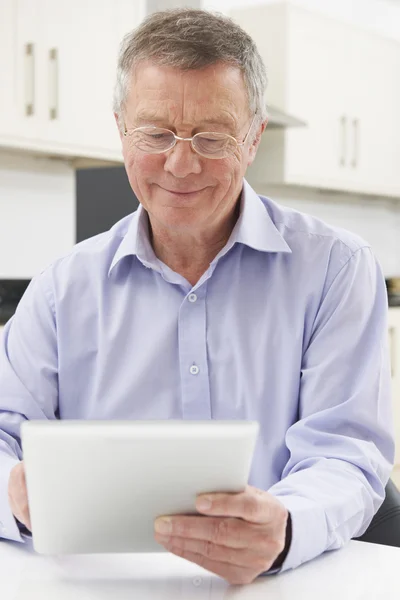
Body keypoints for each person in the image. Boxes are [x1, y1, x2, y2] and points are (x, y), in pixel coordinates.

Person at [0, 8, 394, 585]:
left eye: (211, 136)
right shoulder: (62, 289)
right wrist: (17, 494)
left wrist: (284, 527)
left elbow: (346, 454)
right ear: (120, 130)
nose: (181, 163)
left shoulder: (337, 271)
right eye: (156, 133)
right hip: (98, 585)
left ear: (253, 136)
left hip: (278, 584)